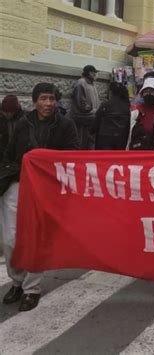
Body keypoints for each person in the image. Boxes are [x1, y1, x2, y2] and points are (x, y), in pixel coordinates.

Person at [0, 83, 79, 312]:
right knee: (10, 240)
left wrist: (46, 161)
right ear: (34, 101)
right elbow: (9, 153)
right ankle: (17, 281)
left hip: (45, 190)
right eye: (44, 99)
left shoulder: (66, 125)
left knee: (36, 239)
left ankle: (31, 288)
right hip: (17, 184)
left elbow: (73, 155)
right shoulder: (22, 124)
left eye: (52, 99)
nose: (48, 104)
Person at [91, 82, 131, 150]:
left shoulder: (105, 105)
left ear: (111, 92)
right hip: (122, 140)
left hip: (104, 141)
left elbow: (95, 123)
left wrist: (92, 131)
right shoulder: (127, 106)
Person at [70, 65, 100, 150]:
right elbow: (81, 102)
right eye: (94, 73)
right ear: (90, 73)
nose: (96, 75)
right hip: (83, 118)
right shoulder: (81, 83)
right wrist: (89, 109)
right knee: (82, 141)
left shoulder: (92, 84)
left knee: (91, 141)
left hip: (91, 118)